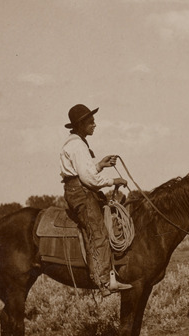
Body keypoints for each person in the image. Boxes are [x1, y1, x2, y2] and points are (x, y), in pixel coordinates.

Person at [60, 104, 132, 297]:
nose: (94, 124)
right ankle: (104, 281)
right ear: (80, 124)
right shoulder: (77, 146)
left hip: (79, 189)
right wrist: (113, 181)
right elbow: (88, 179)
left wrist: (100, 165)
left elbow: (86, 172)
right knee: (97, 230)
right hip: (80, 192)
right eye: (91, 122)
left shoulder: (78, 143)